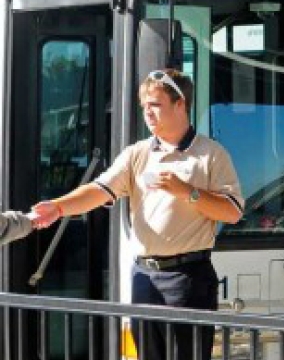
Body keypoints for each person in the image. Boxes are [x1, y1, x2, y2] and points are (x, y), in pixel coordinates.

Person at [31, 68, 244, 360]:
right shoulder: (136, 153)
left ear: (180, 103)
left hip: (188, 278)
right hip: (144, 277)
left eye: (155, 105)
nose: (147, 113)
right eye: (144, 106)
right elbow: (99, 189)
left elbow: (232, 212)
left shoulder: (211, 154)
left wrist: (188, 192)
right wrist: (58, 206)